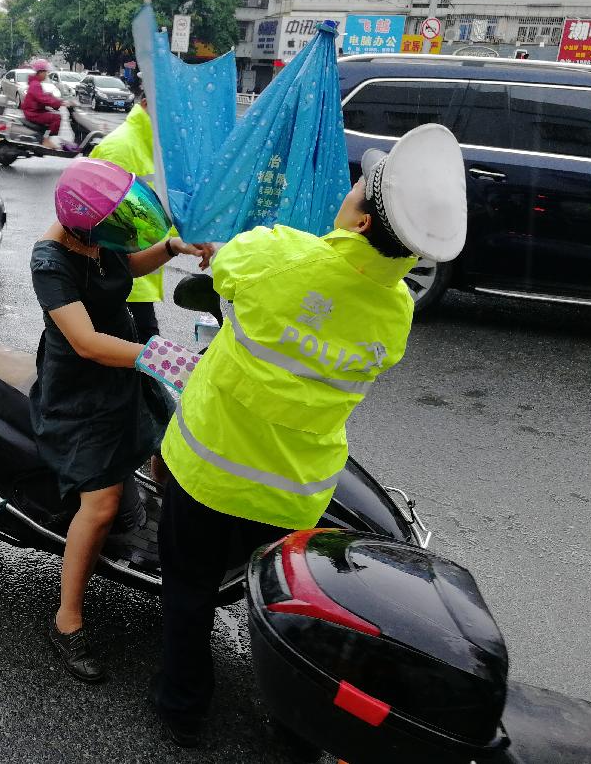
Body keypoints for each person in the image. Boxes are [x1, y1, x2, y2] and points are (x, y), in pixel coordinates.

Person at [154, 124, 468, 747]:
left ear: (356, 219)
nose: (350, 189)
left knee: (188, 593)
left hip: (207, 469)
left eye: (358, 187)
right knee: (280, 602)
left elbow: (223, 273)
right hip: (296, 489)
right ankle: (292, 721)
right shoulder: (397, 309)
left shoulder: (273, 251)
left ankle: (182, 713)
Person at [31, 158, 212, 683]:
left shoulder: (97, 233)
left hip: (125, 368)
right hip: (81, 389)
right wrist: (155, 356)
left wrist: (173, 247)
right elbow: (85, 343)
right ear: (80, 223)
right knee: (102, 503)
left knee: (168, 448)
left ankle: (166, 539)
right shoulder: (50, 261)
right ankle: (67, 620)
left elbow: (127, 267)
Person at [88, 91, 168, 341]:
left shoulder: (153, 144)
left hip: (135, 274)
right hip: (120, 274)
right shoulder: (121, 148)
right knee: (144, 351)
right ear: (145, 102)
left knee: (142, 350)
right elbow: (108, 221)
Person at [21, 58, 66, 151]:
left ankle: (43, 137)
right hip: (33, 113)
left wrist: (55, 99)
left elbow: (43, 96)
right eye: (45, 72)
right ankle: (46, 140)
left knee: (53, 114)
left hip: (34, 111)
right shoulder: (35, 85)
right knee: (56, 117)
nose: (46, 74)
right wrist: (59, 103)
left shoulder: (35, 83)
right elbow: (43, 99)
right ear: (40, 72)